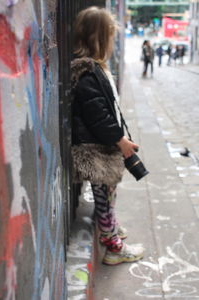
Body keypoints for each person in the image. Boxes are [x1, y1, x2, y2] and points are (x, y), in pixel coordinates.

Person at [71, 7, 144, 266]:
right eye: (110, 37)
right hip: (97, 150)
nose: (112, 43)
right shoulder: (87, 72)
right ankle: (113, 246)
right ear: (100, 38)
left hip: (103, 146)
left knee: (109, 195)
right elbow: (98, 116)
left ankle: (112, 227)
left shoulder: (95, 69)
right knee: (103, 198)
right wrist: (120, 140)